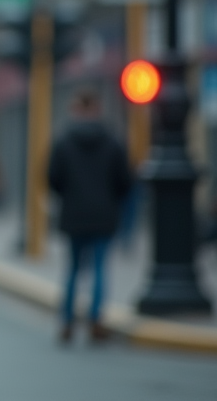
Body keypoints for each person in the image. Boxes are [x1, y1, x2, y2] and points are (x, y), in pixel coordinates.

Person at [48, 88, 131, 344]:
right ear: (97, 109)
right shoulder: (113, 141)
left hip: (73, 215)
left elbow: (52, 179)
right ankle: (96, 321)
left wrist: (70, 196)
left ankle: (67, 321)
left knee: (73, 269)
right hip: (104, 215)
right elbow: (125, 181)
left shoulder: (63, 141)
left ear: (76, 110)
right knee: (99, 269)